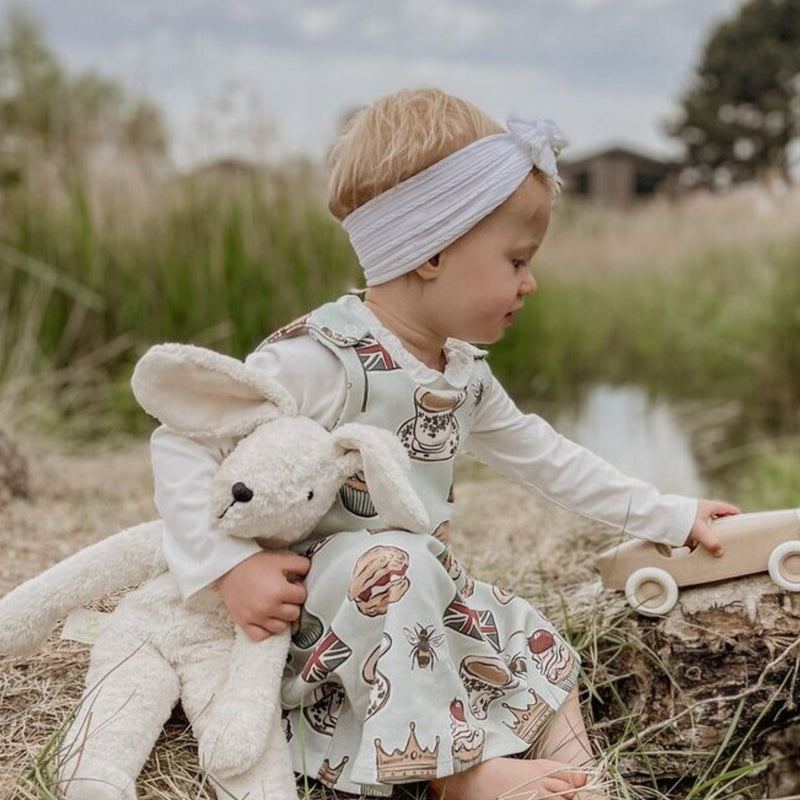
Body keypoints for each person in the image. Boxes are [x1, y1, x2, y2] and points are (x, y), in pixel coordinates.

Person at [150, 88, 739, 800]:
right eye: (516, 261)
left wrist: (671, 516)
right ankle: (455, 778)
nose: (532, 283)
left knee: (523, 625)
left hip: (414, 594)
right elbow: (182, 441)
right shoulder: (323, 358)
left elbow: (547, 457)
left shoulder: (460, 371)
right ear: (431, 253)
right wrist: (225, 570)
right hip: (318, 611)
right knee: (396, 566)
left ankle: (578, 771)